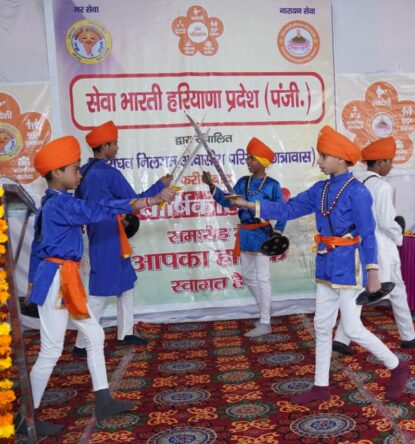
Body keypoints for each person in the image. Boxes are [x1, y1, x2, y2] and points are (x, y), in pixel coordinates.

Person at [232, 126, 409, 403]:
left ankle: (397, 366)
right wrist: (249, 204)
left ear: (340, 159)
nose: (319, 161)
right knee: (322, 326)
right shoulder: (320, 189)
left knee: (352, 328)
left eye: (323, 156)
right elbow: (288, 209)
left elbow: (368, 234)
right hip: (326, 263)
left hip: (350, 267)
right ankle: (321, 386)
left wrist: (373, 272)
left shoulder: (358, 192)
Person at [27, 135, 175, 435]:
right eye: (74, 169)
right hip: (57, 281)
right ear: (56, 173)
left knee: (94, 336)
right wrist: (149, 200)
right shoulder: (59, 205)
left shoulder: (53, 203)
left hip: (63, 279)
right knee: (51, 350)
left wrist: (31, 281)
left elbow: (36, 246)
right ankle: (27, 417)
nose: (79, 174)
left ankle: (103, 400)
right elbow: (99, 209)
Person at [72, 121, 171, 356]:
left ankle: (125, 332)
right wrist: (160, 186)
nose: (117, 147)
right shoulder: (108, 173)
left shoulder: (83, 172)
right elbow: (133, 201)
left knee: (126, 283)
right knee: (98, 292)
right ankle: (81, 344)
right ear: (105, 146)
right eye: (114, 144)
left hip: (100, 232)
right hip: (108, 234)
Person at [332, 137, 415, 356]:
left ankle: (406, 336)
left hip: (359, 244)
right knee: (367, 292)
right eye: (389, 161)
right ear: (379, 163)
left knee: (379, 290)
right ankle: (344, 338)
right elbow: (387, 222)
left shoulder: (356, 183)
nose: (391, 166)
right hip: (382, 246)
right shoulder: (383, 187)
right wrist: (399, 232)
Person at [202, 137, 286, 337]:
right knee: (247, 275)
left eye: (251, 159)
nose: (247, 162)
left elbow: (282, 211)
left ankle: (265, 322)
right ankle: (265, 308)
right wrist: (212, 186)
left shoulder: (272, 185)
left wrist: (278, 231)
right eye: (247, 158)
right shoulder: (242, 182)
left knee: (263, 277)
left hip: (263, 234)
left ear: (262, 162)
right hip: (246, 234)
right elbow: (229, 202)